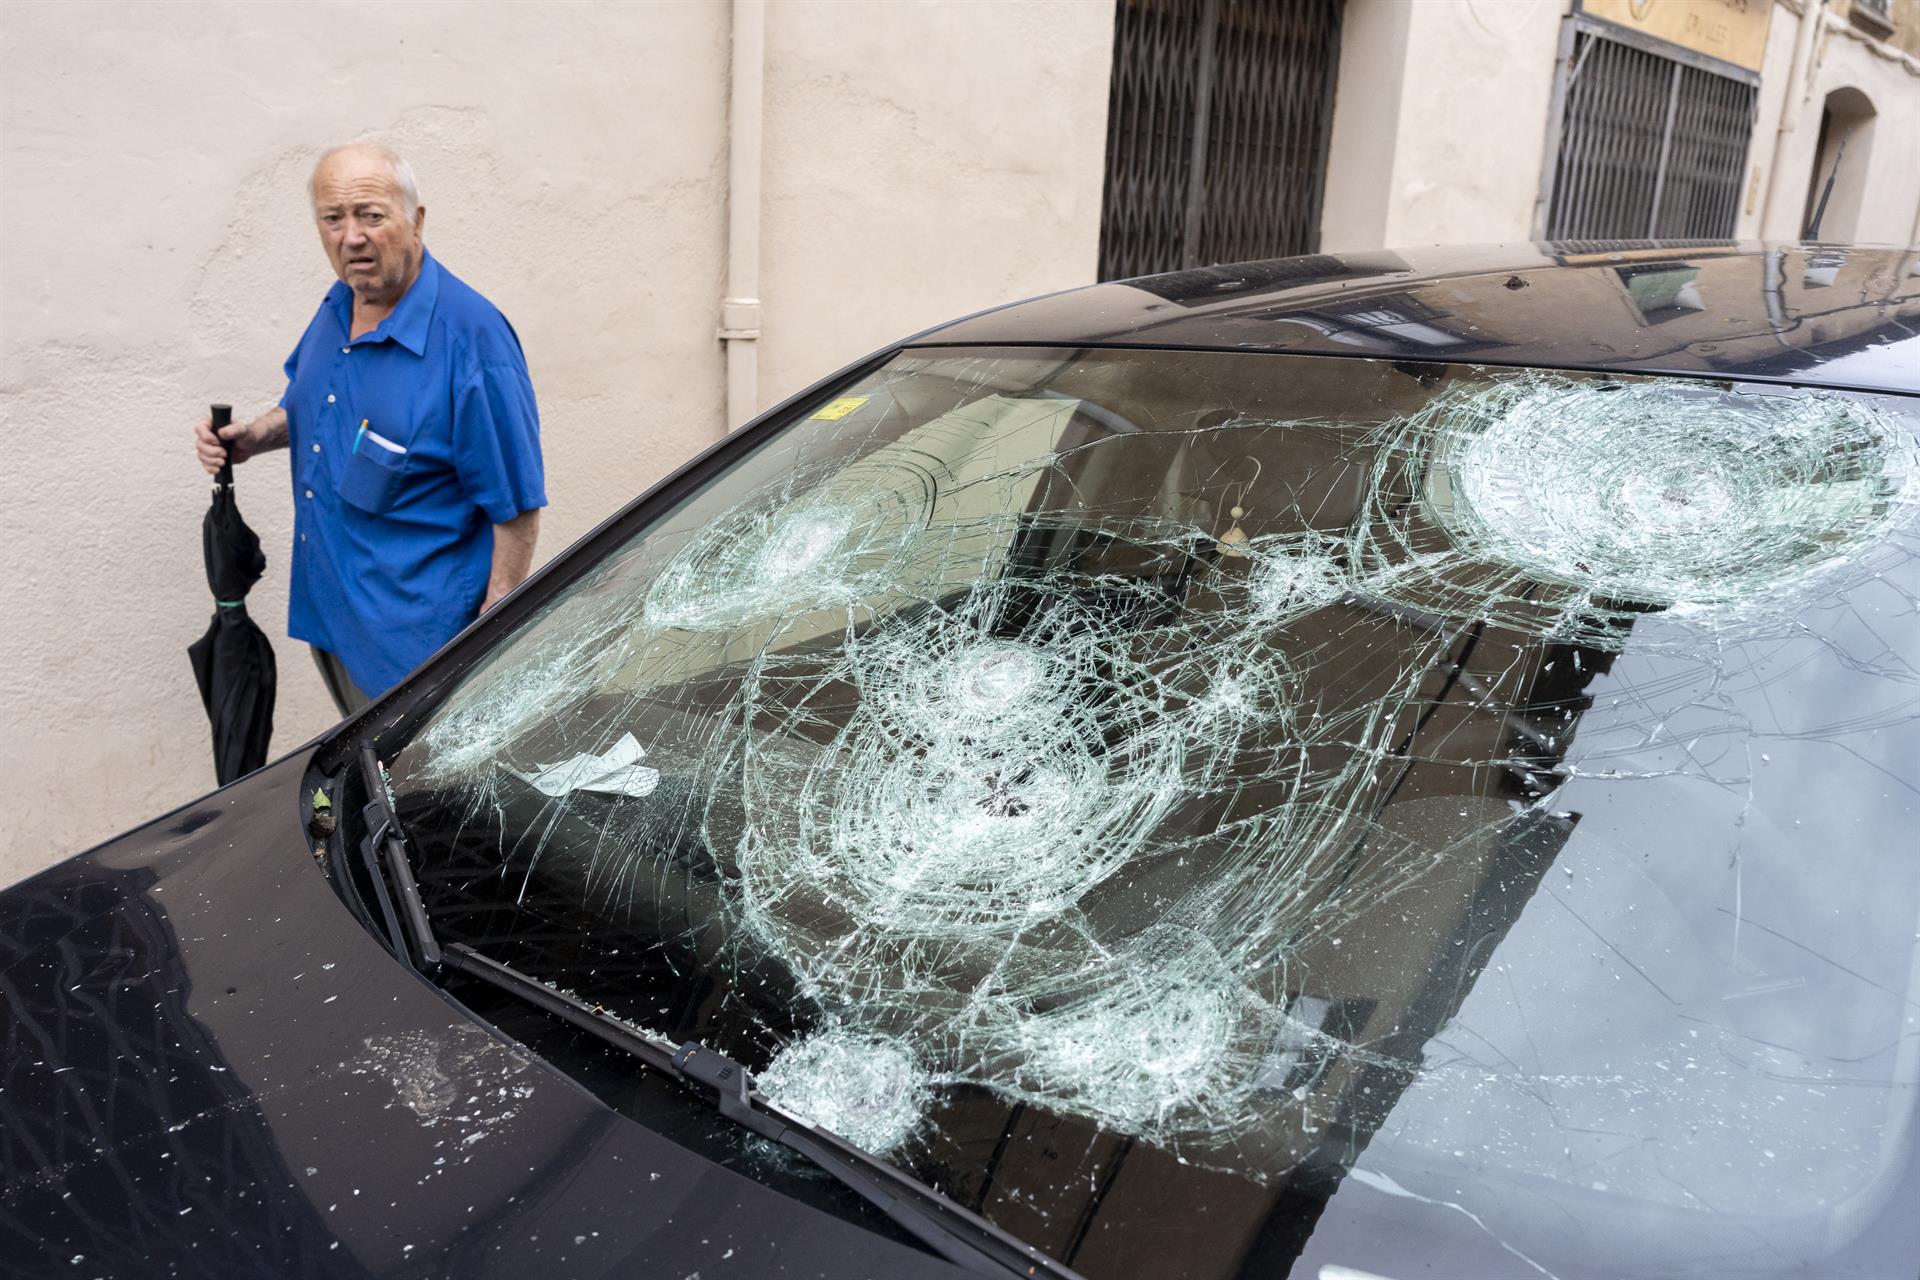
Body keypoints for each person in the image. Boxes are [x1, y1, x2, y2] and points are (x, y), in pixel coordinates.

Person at [193, 143, 545, 715]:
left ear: (416, 220)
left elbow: (517, 507)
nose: (351, 237)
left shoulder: (471, 339)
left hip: (419, 658)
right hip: (332, 618)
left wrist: (489, 643)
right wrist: (256, 437)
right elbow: (319, 410)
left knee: (416, 802)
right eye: (333, 218)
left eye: (371, 215)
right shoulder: (338, 304)